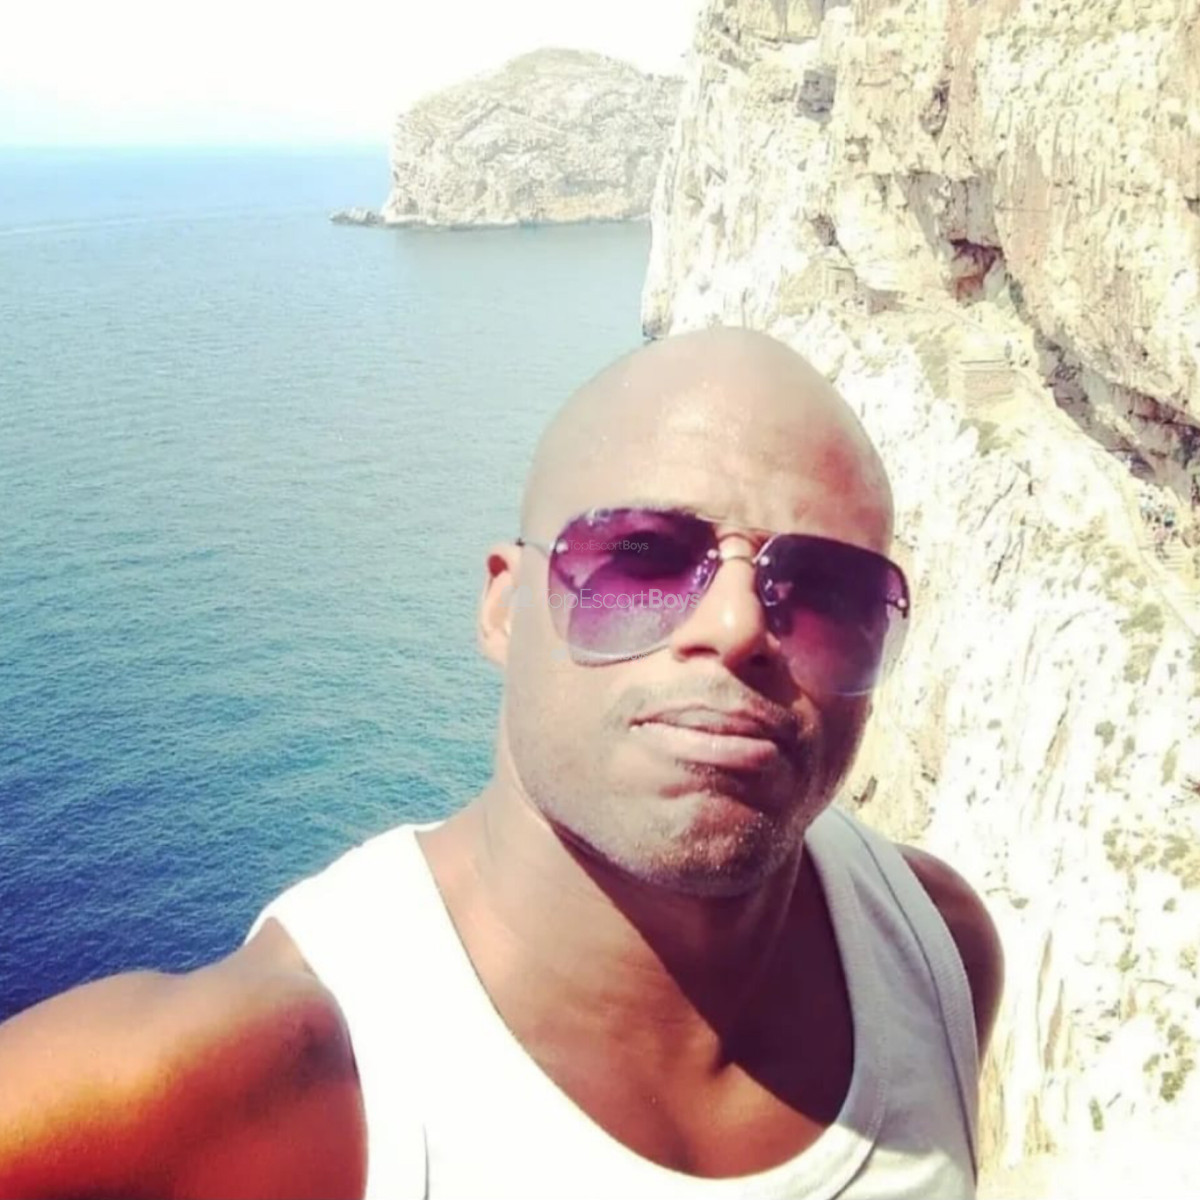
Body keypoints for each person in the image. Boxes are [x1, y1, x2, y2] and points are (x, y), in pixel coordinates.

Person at [0, 326, 1003, 1200]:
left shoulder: (937, 956)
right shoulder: (267, 1080)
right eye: (644, 558)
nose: (737, 626)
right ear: (502, 609)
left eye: (826, 590)